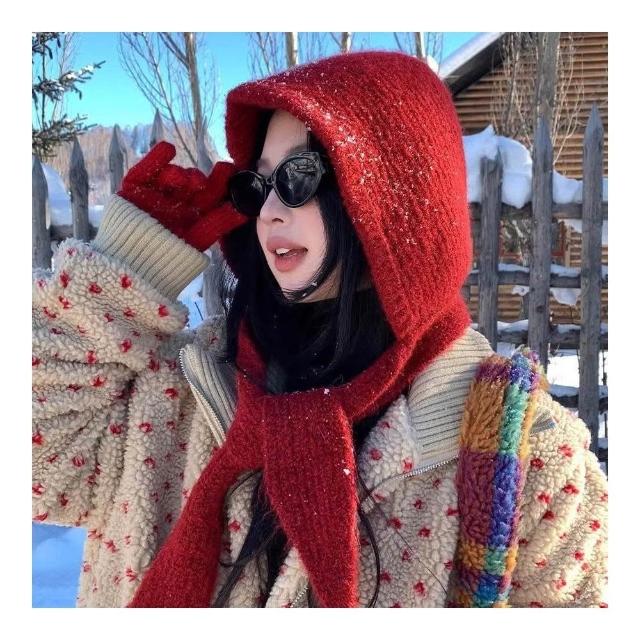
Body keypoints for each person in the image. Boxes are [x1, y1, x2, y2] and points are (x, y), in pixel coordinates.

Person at [32, 50, 608, 608]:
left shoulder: (522, 458)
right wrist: (120, 272)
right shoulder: (180, 393)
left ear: (399, 196)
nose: (268, 212)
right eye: (258, 185)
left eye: (300, 177)